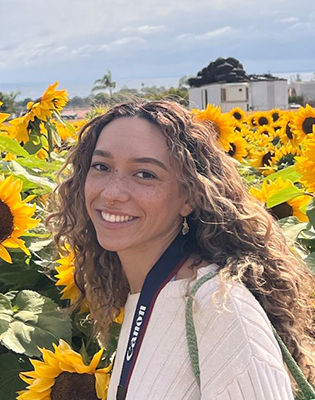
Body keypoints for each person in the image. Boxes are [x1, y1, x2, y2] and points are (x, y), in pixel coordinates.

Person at [49, 100, 315, 399]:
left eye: (145, 174)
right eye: (101, 167)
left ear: (189, 196)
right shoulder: (143, 295)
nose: (111, 193)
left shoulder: (220, 310)